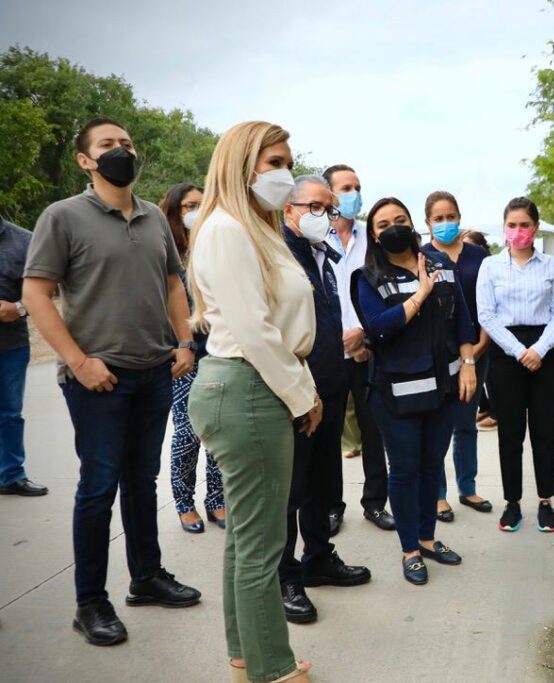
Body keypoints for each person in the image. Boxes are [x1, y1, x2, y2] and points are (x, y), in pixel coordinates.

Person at [22, 116, 201, 647]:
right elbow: (36, 294)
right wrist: (78, 362)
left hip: (155, 371)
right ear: (85, 160)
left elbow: (172, 283)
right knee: (98, 488)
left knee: (142, 481)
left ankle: (146, 577)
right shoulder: (62, 217)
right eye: (107, 144)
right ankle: (90, 603)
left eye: (126, 143)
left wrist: (184, 341)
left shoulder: (152, 217)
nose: (121, 150)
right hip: (97, 379)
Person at [186, 120, 316, 683]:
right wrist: (303, 395)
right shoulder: (227, 230)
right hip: (250, 384)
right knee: (263, 543)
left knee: (246, 538)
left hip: (250, 382)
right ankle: (274, 670)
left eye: (288, 163)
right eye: (275, 163)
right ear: (243, 167)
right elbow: (254, 330)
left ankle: (246, 658)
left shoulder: (250, 228)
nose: (285, 174)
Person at [353, 197, 476, 585]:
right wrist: (420, 294)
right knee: (405, 470)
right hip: (396, 395)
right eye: (383, 224)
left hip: (444, 390)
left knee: (430, 466)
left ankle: (427, 537)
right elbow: (379, 326)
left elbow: (463, 320)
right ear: (374, 235)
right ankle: (410, 549)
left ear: (412, 224)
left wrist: (468, 363)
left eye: (400, 219)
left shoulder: (440, 265)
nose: (394, 227)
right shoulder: (368, 277)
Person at [278, 175, 371, 625]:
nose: (325, 216)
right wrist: (302, 393)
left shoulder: (321, 254)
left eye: (329, 209)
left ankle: (318, 558)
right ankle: (284, 576)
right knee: (290, 490)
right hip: (298, 392)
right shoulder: (279, 256)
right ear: (288, 209)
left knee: (322, 481)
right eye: (315, 207)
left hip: (330, 385)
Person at [477, 197, 554, 533]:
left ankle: (545, 501)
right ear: (504, 228)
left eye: (525, 225)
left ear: (536, 227)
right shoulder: (490, 266)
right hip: (506, 353)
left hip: (545, 351)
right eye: (512, 225)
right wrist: (519, 351)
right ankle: (512, 503)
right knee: (510, 434)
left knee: (544, 431)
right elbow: (486, 315)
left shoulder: (551, 265)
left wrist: (539, 349)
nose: (518, 231)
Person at [322, 164, 394, 534]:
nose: (354, 194)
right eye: (346, 187)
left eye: (358, 187)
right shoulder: (314, 239)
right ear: (329, 195)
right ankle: (331, 507)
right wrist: (334, 336)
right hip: (327, 352)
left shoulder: (371, 239)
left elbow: (383, 291)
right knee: (329, 432)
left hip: (367, 350)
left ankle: (375, 503)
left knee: (373, 430)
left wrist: (364, 335)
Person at [419, 191, 493, 522]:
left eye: (451, 217)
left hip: (479, 348)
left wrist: (479, 346)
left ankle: (468, 487)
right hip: (437, 354)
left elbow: (491, 301)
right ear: (428, 223)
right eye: (438, 218)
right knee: (436, 427)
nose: (445, 223)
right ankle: (437, 494)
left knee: (466, 423)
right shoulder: (422, 257)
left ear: (460, 218)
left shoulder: (479, 255)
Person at [158, 182, 226, 533]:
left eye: (202, 204)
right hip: (183, 354)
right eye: (189, 206)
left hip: (218, 351)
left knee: (217, 430)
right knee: (188, 431)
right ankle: (184, 503)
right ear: (174, 211)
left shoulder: (214, 247)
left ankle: (217, 500)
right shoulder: (165, 253)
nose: (196, 212)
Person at [0, 217, 48, 497]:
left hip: (10, 345)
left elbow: (44, 291)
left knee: (9, 413)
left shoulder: (26, 241)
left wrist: (17, 308)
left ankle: (11, 476)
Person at [461, 231, 498, 431]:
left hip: (485, 332)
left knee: (490, 375)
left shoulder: (485, 264)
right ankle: (485, 407)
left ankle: (496, 413)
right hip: (467, 336)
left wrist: (484, 340)